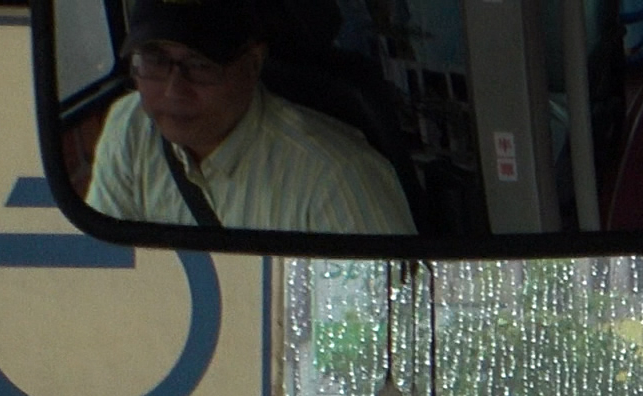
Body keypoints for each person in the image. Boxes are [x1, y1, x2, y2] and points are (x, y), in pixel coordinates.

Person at [85, 0, 415, 237]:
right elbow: (107, 274)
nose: (174, 90)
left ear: (253, 62)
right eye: (154, 61)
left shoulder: (336, 180)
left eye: (200, 65)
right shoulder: (130, 126)